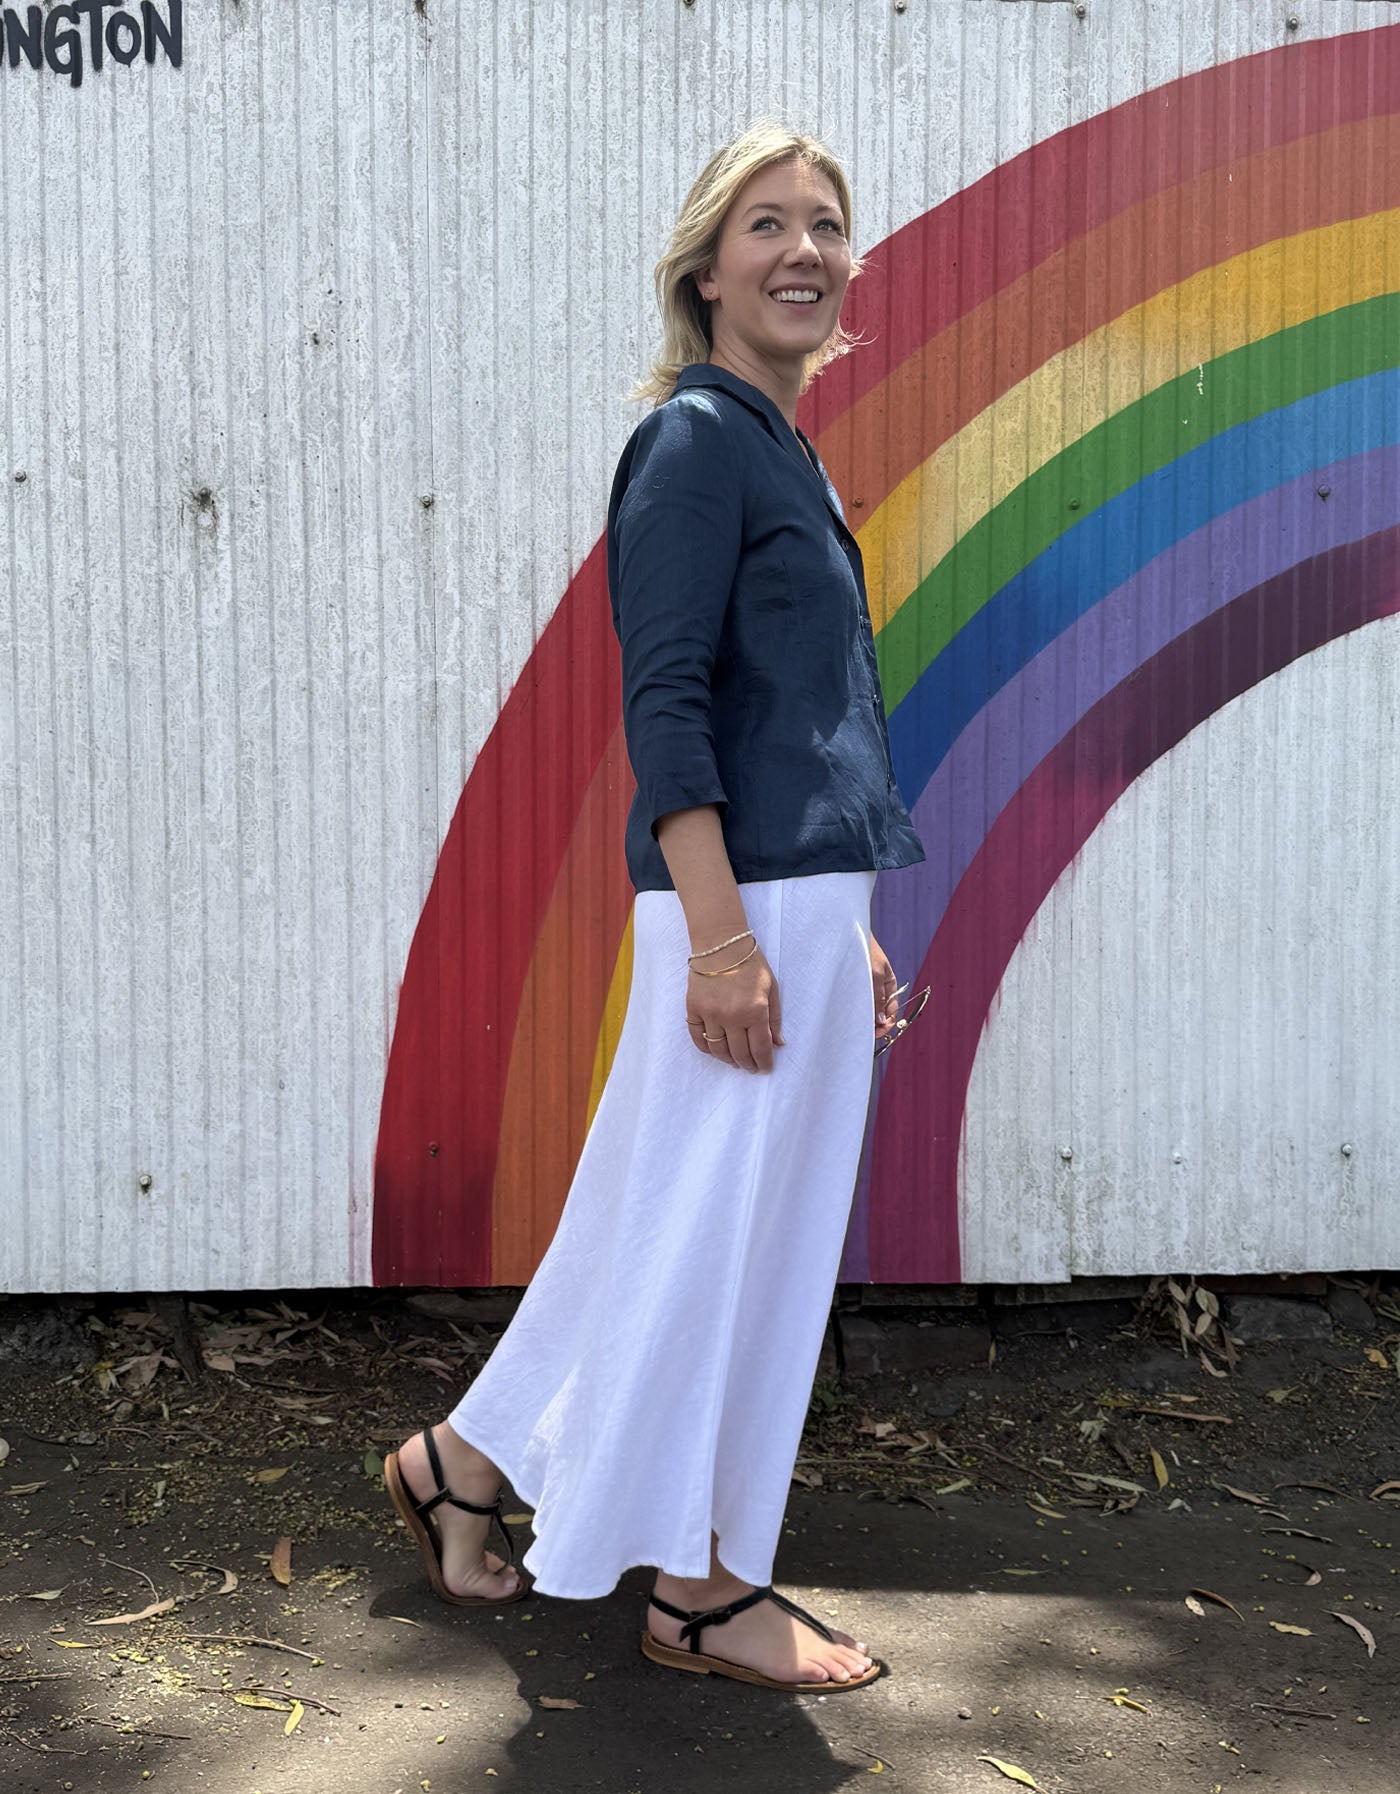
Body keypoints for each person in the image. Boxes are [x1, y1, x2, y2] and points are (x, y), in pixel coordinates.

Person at [384, 120, 926, 1692]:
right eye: (767, 223)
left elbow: (795, 718)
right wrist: (730, 937)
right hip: (736, 911)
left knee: (663, 1223)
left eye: (826, 222)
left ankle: (465, 1463)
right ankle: (701, 1592)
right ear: (705, 272)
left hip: (785, 902)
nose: (805, 249)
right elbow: (668, 705)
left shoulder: (780, 448)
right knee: (727, 1254)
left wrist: (838, 921)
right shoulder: (693, 442)